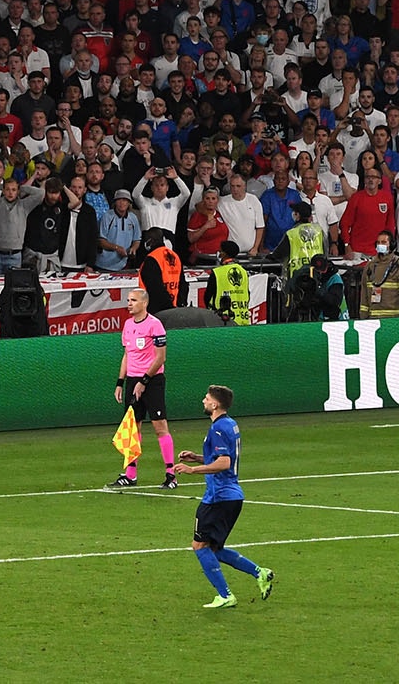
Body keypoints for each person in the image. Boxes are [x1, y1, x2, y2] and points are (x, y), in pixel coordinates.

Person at [171, 384, 276, 609]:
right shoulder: (230, 424)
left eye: (207, 398)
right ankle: (260, 573)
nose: (203, 401)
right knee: (213, 549)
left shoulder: (218, 429)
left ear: (215, 404)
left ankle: (225, 595)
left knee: (200, 546)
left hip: (218, 498)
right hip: (230, 497)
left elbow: (224, 463)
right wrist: (199, 457)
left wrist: (191, 470)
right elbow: (222, 458)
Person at [108, 288, 177, 490]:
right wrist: (120, 382)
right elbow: (127, 355)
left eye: (133, 300)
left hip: (152, 381)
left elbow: (160, 357)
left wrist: (144, 381)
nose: (129, 303)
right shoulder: (128, 325)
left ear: (144, 303)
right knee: (132, 427)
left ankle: (171, 474)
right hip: (133, 381)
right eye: (128, 300)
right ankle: (130, 474)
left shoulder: (155, 325)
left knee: (159, 426)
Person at [357, 230, 399, 318]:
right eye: (378, 242)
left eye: (384, 242)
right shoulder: (370, 266)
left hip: (394, 319)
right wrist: (363, 315)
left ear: (392, 245)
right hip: (373, 319)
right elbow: (364, 292)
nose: (380, 245)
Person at [202, 242, 251, 326]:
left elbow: (208, 296)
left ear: (224, 254)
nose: (219, 254)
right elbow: (247, 293)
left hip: (222, 320)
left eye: (220, 251)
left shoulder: (217, 272)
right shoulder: (243, 271)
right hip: (242, 319)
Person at [138, 228, 186, 313]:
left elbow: (155, 289)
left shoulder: (151, 259)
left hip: (157, 310)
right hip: (174, 308)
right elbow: (182, 283)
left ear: (150, 241)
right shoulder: (175, 256)